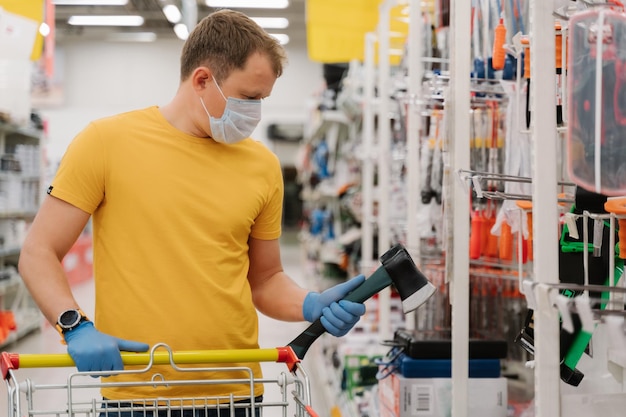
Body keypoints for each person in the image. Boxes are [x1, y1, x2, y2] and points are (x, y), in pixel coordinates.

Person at [18, 9, 366, 416]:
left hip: (238, 392)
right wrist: (74, 324)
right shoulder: (106, 142)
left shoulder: (263, 166)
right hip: (138, 393)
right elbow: (38, 251)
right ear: (202, 80)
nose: (255, 113)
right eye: (249, 98)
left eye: (262, 100)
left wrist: (310, 304)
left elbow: (266, 277)